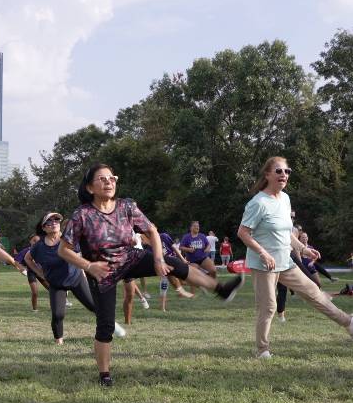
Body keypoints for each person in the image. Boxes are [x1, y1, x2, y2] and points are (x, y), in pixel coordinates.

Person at [59, 163, 244, 386]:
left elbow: (152, 231)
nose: (109, 182)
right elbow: (64, 250)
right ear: (90, 188)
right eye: (102, 179)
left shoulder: (126, 206)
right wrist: (89, 266)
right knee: (105, 324)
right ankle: (104, 375)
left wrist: (157, 259)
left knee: (174, 263)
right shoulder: (82, 214)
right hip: (103, 269)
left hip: (131, 257)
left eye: (112, 178)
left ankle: (220, 289)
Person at [237, 156, 353, 359]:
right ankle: (262, 350)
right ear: (267, 175)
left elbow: (286, 232)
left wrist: (303, 248)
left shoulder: (285, 199)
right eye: (279, 171)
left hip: (285, 261)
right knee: (269, 306)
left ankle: (349, 323)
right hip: (264, 264)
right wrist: (263, 253)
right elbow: (243, 233)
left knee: (315, 292)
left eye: (287, 171)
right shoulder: (258, 203)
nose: (284, 175)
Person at [26, 211, 125, 345]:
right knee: (57, 315)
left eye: (56, 220)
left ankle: (112, 325)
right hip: (56, 283)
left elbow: (81, 254)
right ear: (44, 227)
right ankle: (58, 341)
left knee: (93, 306)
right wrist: (40, 273)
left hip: (76, 278)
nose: (54, 223)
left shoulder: (68, 239)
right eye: (50, 221)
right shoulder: (39, 246)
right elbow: (28, 259)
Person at [15, 235, 49, 312]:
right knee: (35, 292)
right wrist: (22, 269)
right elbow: (16, 261)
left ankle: (61, 303)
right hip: (31, 273)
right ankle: (34, 309)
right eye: (34, 240)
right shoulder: (26, 251)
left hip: (41, 273)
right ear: (30, 241)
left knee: (52, 289)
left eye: (38, 241)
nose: (36, 243)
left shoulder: (44, 250)